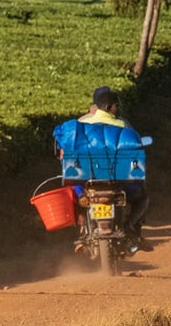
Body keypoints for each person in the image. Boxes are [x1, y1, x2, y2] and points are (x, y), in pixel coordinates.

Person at [54, 86, 151, 251]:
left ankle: (83, 229)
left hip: (87, 181)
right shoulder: (122, 124)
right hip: (116, 181)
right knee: (142, 197)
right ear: (108, 107)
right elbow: (135, 147)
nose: (118, 108)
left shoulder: (81, 123)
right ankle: (129, 226)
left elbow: (66, 148)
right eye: (116, 105)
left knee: (75, 195)